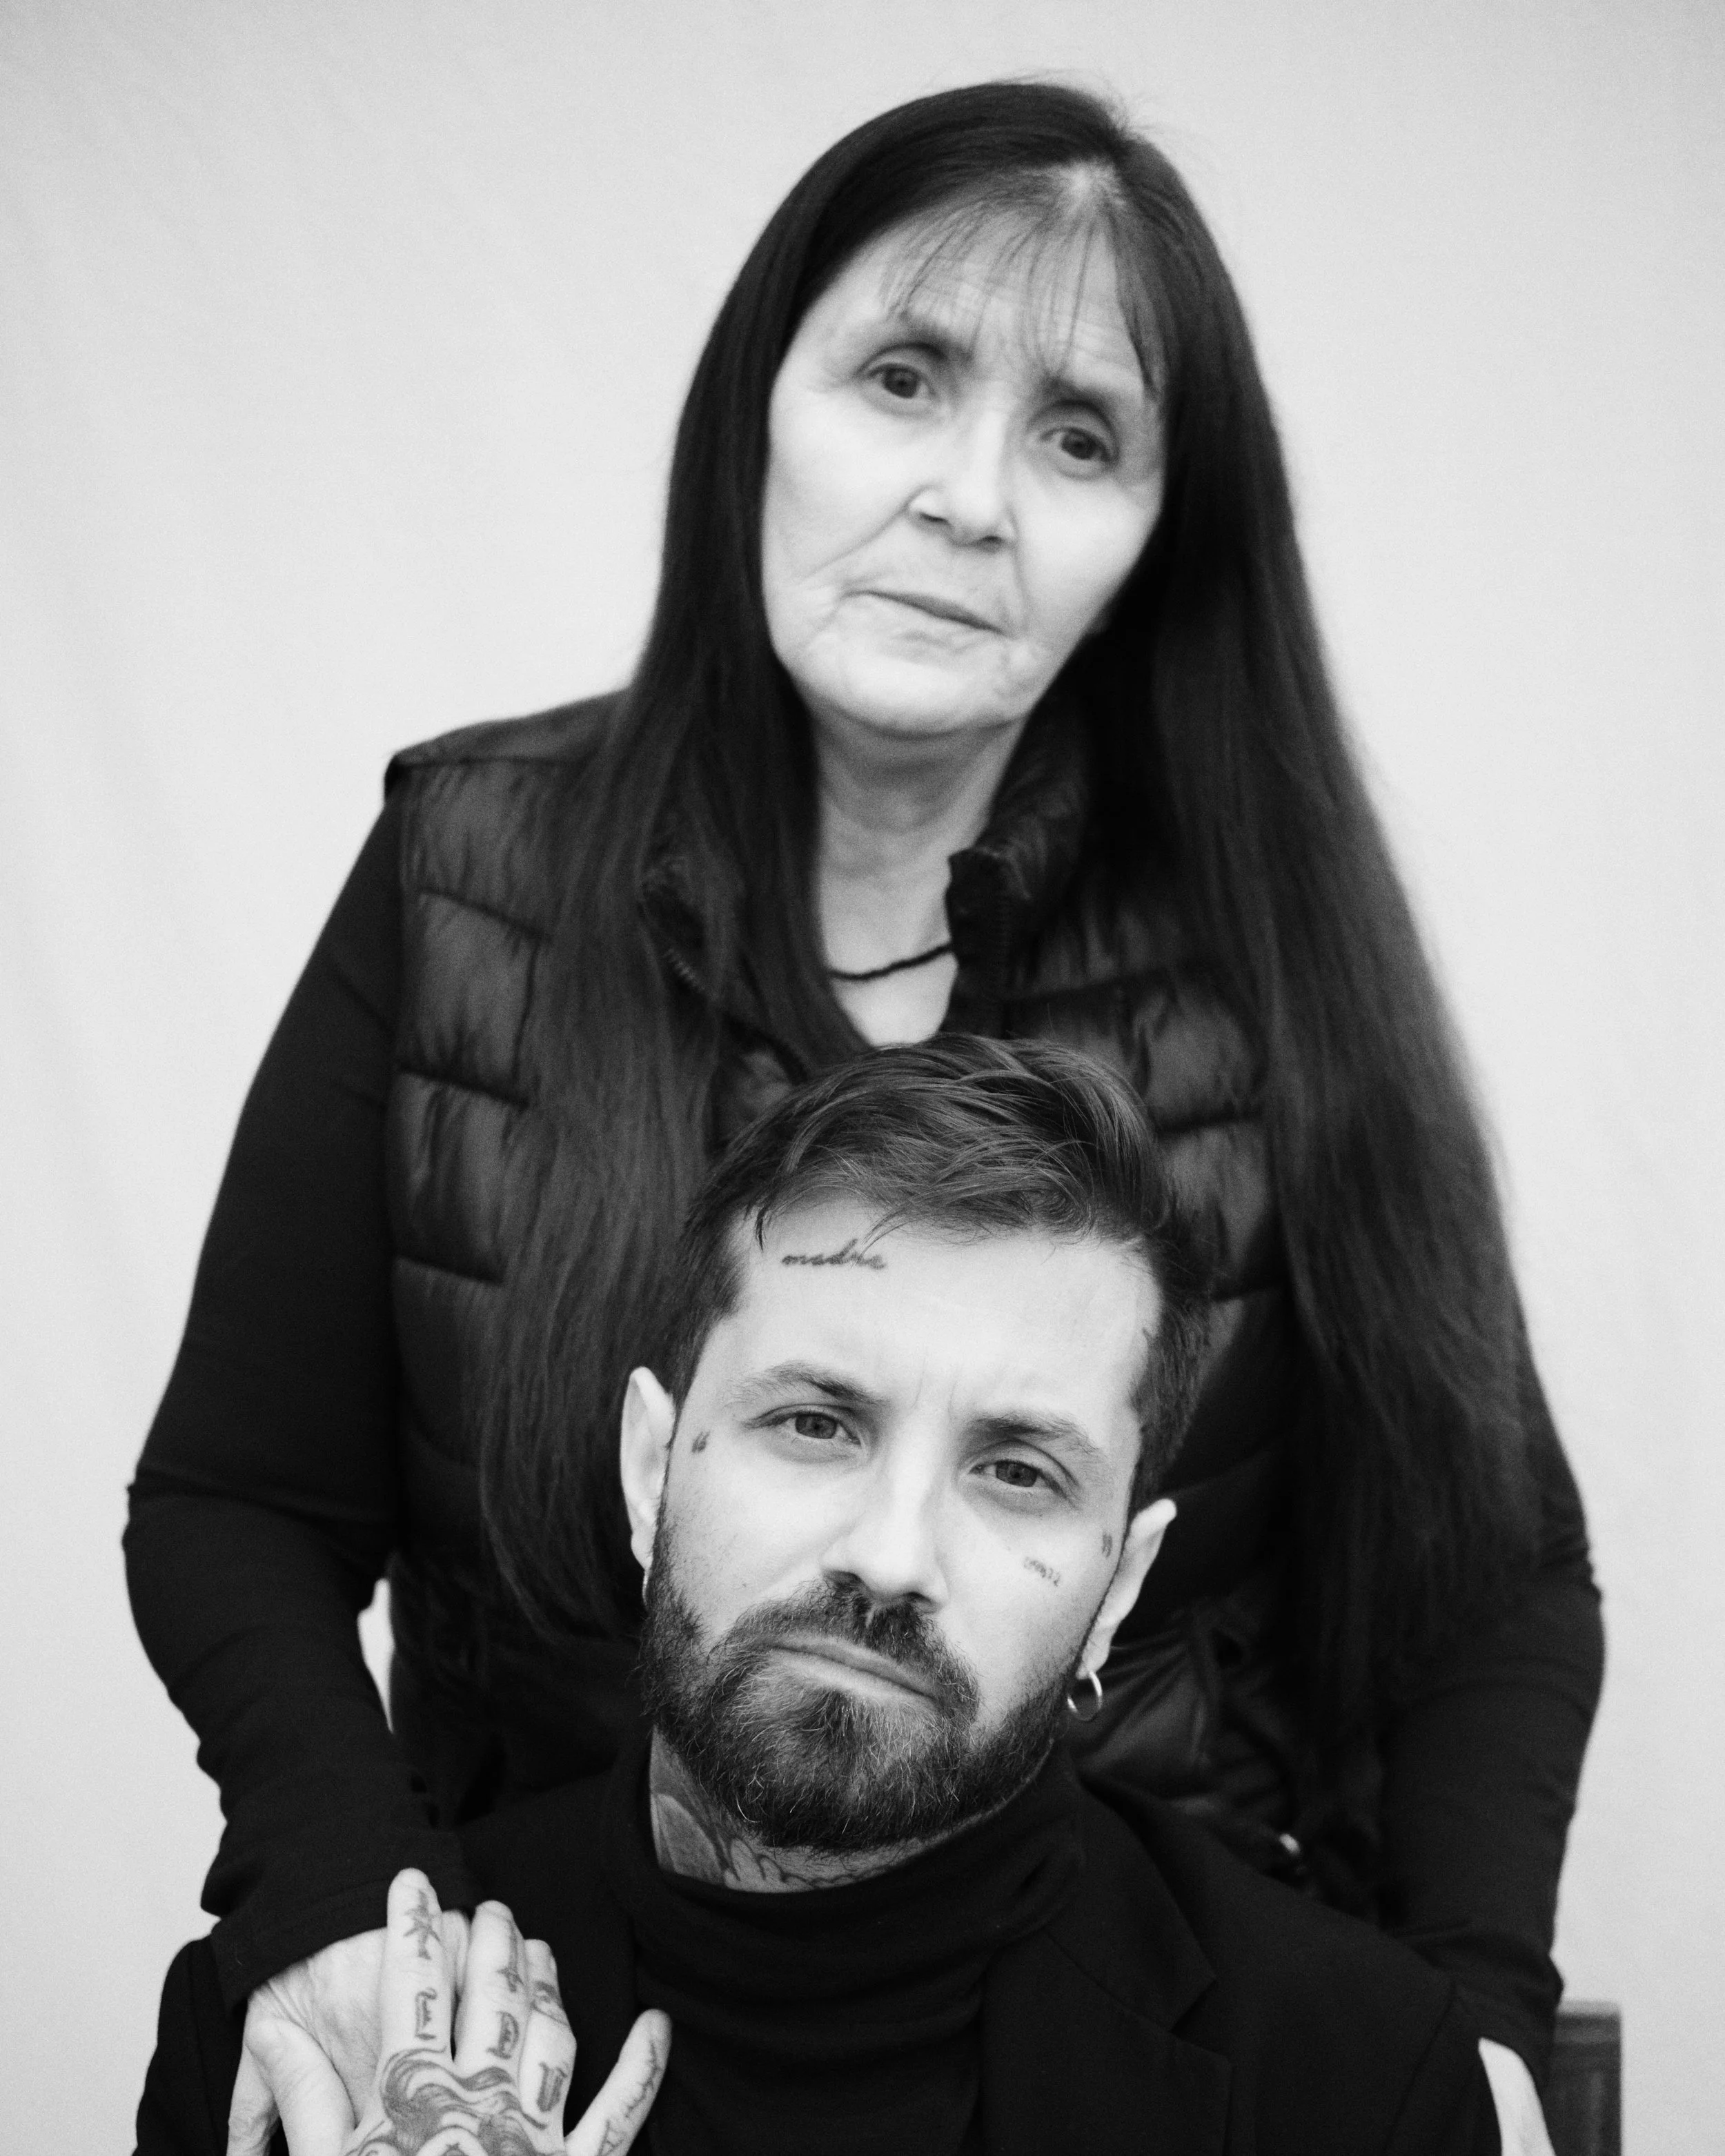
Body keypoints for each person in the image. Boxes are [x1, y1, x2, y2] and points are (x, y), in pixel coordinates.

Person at [124, 77, 1601, 2156]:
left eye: (1075, 434)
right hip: (555, 2021)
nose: (969, 497)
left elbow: (1488, 1572)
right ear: (759, 404)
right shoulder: (473, 867)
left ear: (1152, 535)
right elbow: (241, 1500)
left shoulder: (1272, 956)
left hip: (1135, 2047)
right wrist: (340, 1891)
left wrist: (1471, 2023)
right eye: (903, 376)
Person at [139, 1040, 1501, 2156]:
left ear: (1118, 1587)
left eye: (1016, 1470)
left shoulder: (1355, 2081)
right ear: (650, 1471)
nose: (891, 1555)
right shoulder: (311, 2053)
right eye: (814, 1423)